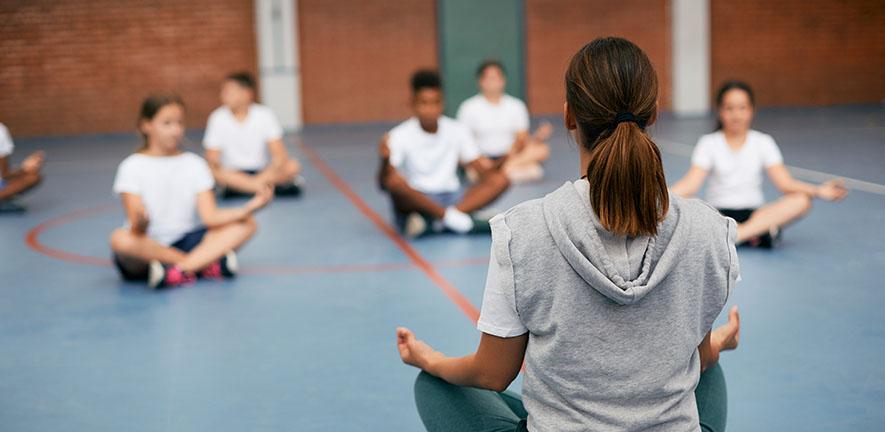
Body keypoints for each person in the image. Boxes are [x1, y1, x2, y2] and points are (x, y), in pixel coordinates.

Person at [396, 37, 741, 432]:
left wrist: (429, 359)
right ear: (654, 114)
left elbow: (491, 375)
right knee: (707, 365)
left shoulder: (523, 230)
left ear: (569, 117)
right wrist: (719, 343)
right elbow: (695, 355)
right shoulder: (709, 229)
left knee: (436, 386)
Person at [110, 93, 273, 289]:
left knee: (247, 224)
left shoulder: (195, 164)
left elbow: (210, 217)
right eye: (167, 123)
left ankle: (178, 271)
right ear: (146, 125)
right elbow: (136, 229)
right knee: (120, 240)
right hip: (147, 247)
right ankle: (201, 264)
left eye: (179, 123)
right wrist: (142, 223)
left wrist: (248, 208)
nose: (175, 130)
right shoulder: (132, 166)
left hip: (185, 240)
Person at [671, 81, 848, 247]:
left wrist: (819, 191)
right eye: (729, 108)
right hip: (717, 215)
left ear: (751, 110)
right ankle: (755, 235)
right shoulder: (709, 143)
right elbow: (690, 184)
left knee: (801, 201)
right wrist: (661, 198)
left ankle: (736, 236)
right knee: (688, 206)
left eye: (742, 108)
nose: (736, 114)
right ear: (720, 111)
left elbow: (785, 184)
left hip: (756, 215)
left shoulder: (763, 142)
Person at [378, 69, 510, 237]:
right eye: (424, 103)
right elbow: (384, 184)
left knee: (501, 179)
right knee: (395, 183)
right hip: (420, 198)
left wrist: (501, 162)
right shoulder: (398, 135)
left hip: (454, 197)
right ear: (413, 103)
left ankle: (435, 221)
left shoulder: (457, 129)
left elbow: (482, 170)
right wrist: (384, 160)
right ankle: (455, 218)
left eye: (435, 103)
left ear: (442, 103)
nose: (430, 109)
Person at [203, 72, 304, 198]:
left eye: (229, 92)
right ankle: (261, 188)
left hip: (262, 172)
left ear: (247, 93)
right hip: (232, 174)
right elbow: (212, 159)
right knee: (210, 171)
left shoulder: (265, 114)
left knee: (292, 166)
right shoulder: (217, 117)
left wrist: (259, 178)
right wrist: (241, 179)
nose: (223, 96)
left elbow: (279, 155)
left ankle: (243, 189)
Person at [457, 60, 551, 183]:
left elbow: (521, 138)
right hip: (481, 158)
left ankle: (492, 174)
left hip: (510, 157)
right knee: (461, 156)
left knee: (542, 150)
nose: (493, 82)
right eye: (489, 78)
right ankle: (504, 173)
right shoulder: (468, 107)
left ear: (503, 80)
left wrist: (537, 138)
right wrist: (480, 159)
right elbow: (463, 140)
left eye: (496, 78)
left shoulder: (516, 105)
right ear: (480, 81)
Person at [0, 122, 44, 213]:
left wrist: (25, 168)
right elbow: (5, 175)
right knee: (33, 177)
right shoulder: (1, 131)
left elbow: (4, 176)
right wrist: (23, 169)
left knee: (32, 176)